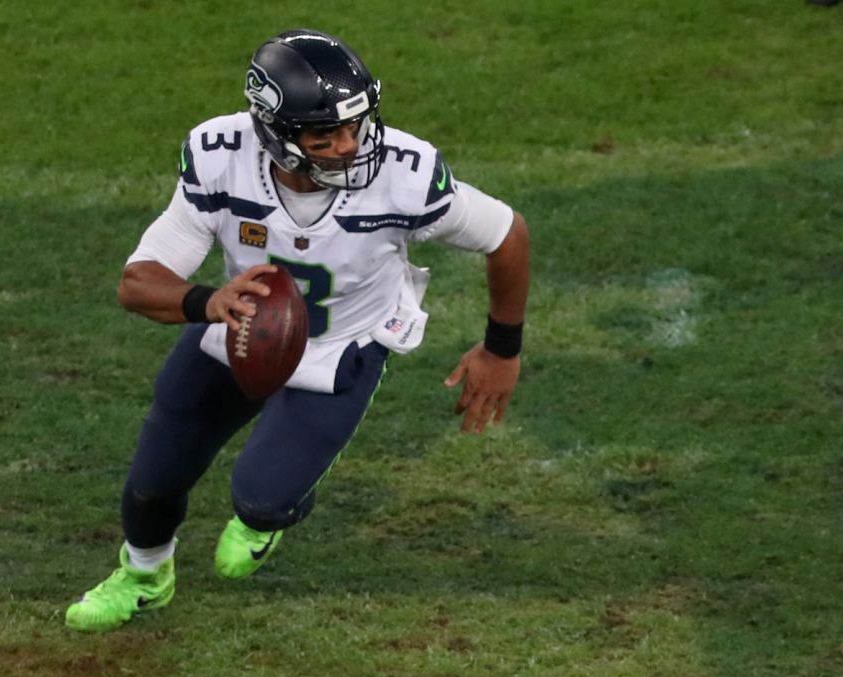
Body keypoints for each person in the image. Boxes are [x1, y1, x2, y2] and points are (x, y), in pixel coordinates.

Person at [66, 29, 530, 632]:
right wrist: (207, 301)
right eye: (324, 135)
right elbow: (139, 282)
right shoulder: (220, 155)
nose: (347, 146)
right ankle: (144, 576)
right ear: (274, 136)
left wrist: (502, 349)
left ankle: (268, 520)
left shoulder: (406, 176)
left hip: (344, 344)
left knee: (261, 500)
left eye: (354, 126)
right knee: (153, 482)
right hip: (242, 326)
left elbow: (506, 233)